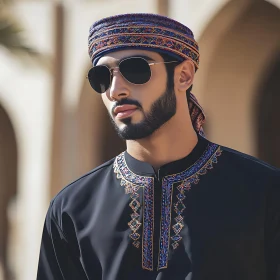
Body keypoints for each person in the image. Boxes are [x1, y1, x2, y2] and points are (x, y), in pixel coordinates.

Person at [36, 13, 280, 280]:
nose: (116, 90)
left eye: (135, 70)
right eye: (102, 77)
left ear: (184, 76)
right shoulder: (72, 208)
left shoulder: (264, 192)